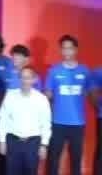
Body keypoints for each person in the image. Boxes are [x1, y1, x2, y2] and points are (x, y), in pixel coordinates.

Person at [44, 35, 90, 175]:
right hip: (57, 122)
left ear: (76, 50)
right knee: (53, 159)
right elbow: (48, 95)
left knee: (76, 160)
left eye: (70, 48)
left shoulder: (85, 71)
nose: (67, 51)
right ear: (61, 50)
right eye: (64, 48)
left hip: (78, 123)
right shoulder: (54, 71)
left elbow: (89, 93)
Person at [0, 66, 51, 175]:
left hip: (33, 143)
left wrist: (44, 144)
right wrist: (2, 141)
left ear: (34, 79)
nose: (25, 81)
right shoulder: (10, 96)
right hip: (13, 142)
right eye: (22, 77)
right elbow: (3, 119)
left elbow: (46, 123)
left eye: (28, 78)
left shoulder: (41, 99)